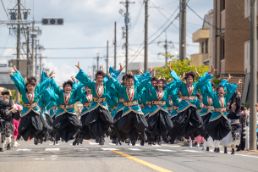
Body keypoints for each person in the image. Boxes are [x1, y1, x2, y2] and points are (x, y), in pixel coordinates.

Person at [10, 66, 54, 144]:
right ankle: (26, 136)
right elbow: (19, 82)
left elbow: (44, 83)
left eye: (32, 86)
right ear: (26, 87)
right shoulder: (23, 91)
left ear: (34, 87)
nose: (30, 87)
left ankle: (38, 137)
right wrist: (14, 74)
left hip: (35, 111)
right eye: (28, 86)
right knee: (21, 129)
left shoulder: (37, 91)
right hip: (26, 112)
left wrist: (50, 78)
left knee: (39, 128)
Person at [169, 69, 213, 144]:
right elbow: (177, 81)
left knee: (199, 122)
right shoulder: (182, 85)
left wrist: (209, 74)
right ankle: (172, 137)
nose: (190, 80)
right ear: (186, 80)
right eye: (188, 79)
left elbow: (202, 80)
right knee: (179, 122)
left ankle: (205, 138)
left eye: (191, 79)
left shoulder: (196, 85)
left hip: (192, 107)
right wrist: (172, 71)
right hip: (184, 106)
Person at [75, 62, 113, 145]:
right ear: (96, 79)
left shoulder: (106, 85)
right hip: (94, 105)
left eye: (101, 77)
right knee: (90, 121)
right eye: (98, 78)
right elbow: (85, 80)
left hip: (103, 105)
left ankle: (107, 131)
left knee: (108, 120)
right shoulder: (92, 84)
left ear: (103, 78)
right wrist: (80, 69)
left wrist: (105, 73)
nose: (99, 79)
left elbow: (111, 80)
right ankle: (99, 137)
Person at [108, 72, 151, 146]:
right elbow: (116, 84)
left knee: (142, 124)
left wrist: (150, 76)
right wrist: (110, 77)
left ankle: (142, 134)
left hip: (136, 109)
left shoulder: (137, 87)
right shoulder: (122, 89)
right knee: (121, 125)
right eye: (128, 81)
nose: (129, 83)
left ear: (133, 81)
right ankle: (125, 138)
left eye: (131, 81)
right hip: (127, 110)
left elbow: (143, 83)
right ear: (125, 82)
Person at [206, 79, 240, 153]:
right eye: (220, 90)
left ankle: (221, 141)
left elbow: (231, 91)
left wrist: (236, 84)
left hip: (223, 116)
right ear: (217, 91)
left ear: (224, 92)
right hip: (215, 116)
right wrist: (208, 81)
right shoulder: (214, 96)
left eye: (222, 90)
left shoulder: (226, 97)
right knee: (210, 129)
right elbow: (210, 91)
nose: (221, 91)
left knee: (228, 128)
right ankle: (215, 144)